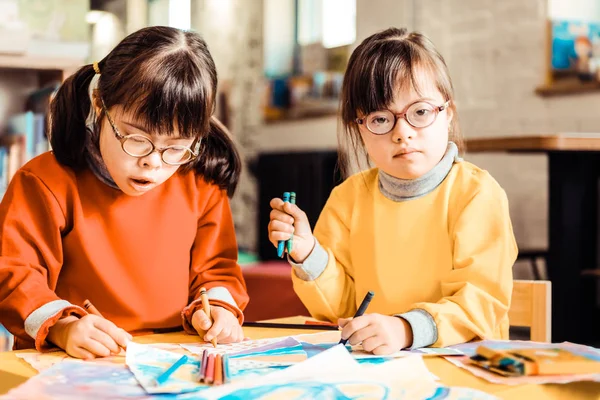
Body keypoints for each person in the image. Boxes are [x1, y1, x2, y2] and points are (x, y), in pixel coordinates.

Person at [0, 26, 248, 358]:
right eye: (136, 139)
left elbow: (217, 268)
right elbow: (14, 275)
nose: (153, 163)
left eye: (175, 148)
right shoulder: (44, 182)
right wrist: (63, 326)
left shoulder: (201, 183)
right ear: (99, 103)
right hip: (75, 361)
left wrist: (218, 308)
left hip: (173, 359)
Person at [268, 28, 517, 355]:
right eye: (381, 119)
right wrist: (308, 253)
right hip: (378, 370)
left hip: (462, 367)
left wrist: (405, 329)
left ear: (448, 114)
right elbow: (341, 307)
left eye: (420, 112)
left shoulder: (477, 194)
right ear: (360, 127)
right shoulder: (347, 199)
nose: (402, 133)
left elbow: (481, 302)